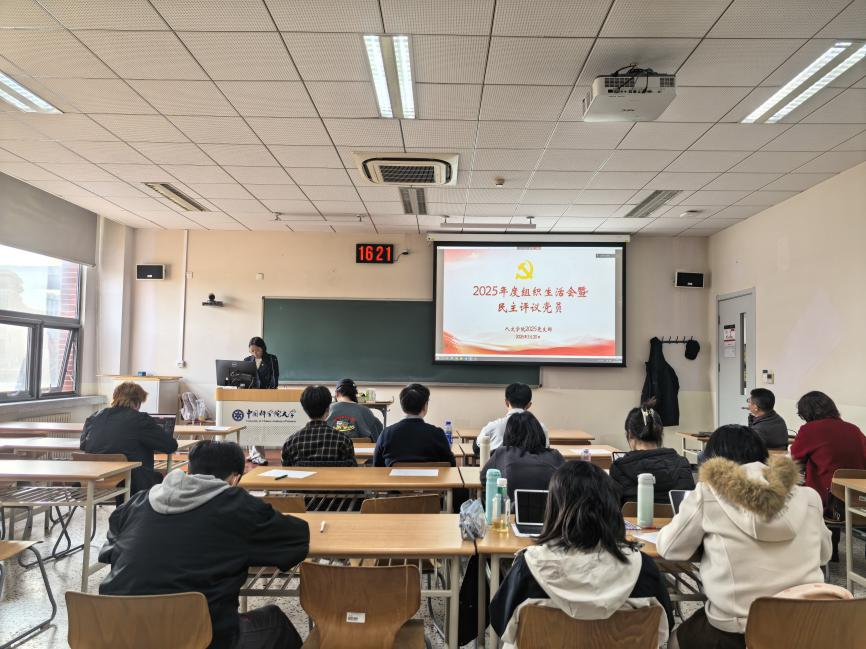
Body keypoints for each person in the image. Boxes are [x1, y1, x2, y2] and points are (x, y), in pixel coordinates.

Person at [99, 440, 309, 649]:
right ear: (235, 478)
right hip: (199, 637)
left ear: (189, 469)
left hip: (117, 634)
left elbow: (110, 551)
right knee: (275, 622)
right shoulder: (237, 504)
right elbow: (296, 539)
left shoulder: (138, 502)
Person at [656, 425, 831, 649]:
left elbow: (669, 548)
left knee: (676, 639)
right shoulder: (809, 497)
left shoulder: (707, 493)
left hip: (737, 629)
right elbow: (824, 555)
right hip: (807, 625)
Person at [490, 461, 672, 649]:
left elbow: (502, 626)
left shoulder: (529, 567)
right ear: (612, 508)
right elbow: (662, 631)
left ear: (553, 509)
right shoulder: (643, 569)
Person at [81, 382, 178, 494]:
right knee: (163, 477)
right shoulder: (140, 419)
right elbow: (170, 446)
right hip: (131, 485)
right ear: (137, 402)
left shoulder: (94, 417)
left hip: (92, 483)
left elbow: (83, 445)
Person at [790, 391, 866, 512]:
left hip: (826, 499)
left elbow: (794, 459)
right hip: (858, 498)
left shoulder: (809, 429)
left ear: (806, 413)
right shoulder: (854, 429)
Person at [609, 403, 694, 504]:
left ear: (630, 434)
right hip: (676, 515)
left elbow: (612, 509)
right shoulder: (683, 465)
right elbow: (691, 505)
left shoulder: (618, 469)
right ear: (660, 433)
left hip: (634, 515)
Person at [480, 411, 564, 500]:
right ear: (539, 433)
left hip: (509, 508)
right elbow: (567, 483)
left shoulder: (503, 453)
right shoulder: (555, 456)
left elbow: (484, 479)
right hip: (550, 508)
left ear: (509, 434)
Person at [374, 383, 456, 467]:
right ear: (425, 406)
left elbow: (377, 466)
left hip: (395, 476)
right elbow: (451, 464)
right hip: (430, 476)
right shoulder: (437, 434)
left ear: (402, 406)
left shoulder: (386, 434)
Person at [282, 385, 356, 467]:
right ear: (328, 409)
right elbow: (352, 469)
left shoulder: (291, 442)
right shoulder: (343, 440)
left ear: (304, 409)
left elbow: (286, 470)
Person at [476, 383, 548, 453]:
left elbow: (477, 447)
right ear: (529, 405)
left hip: (501, 461)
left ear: (506, 402)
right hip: (532, 462)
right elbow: (546, 450)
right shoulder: (540, 428)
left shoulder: (493, 426)